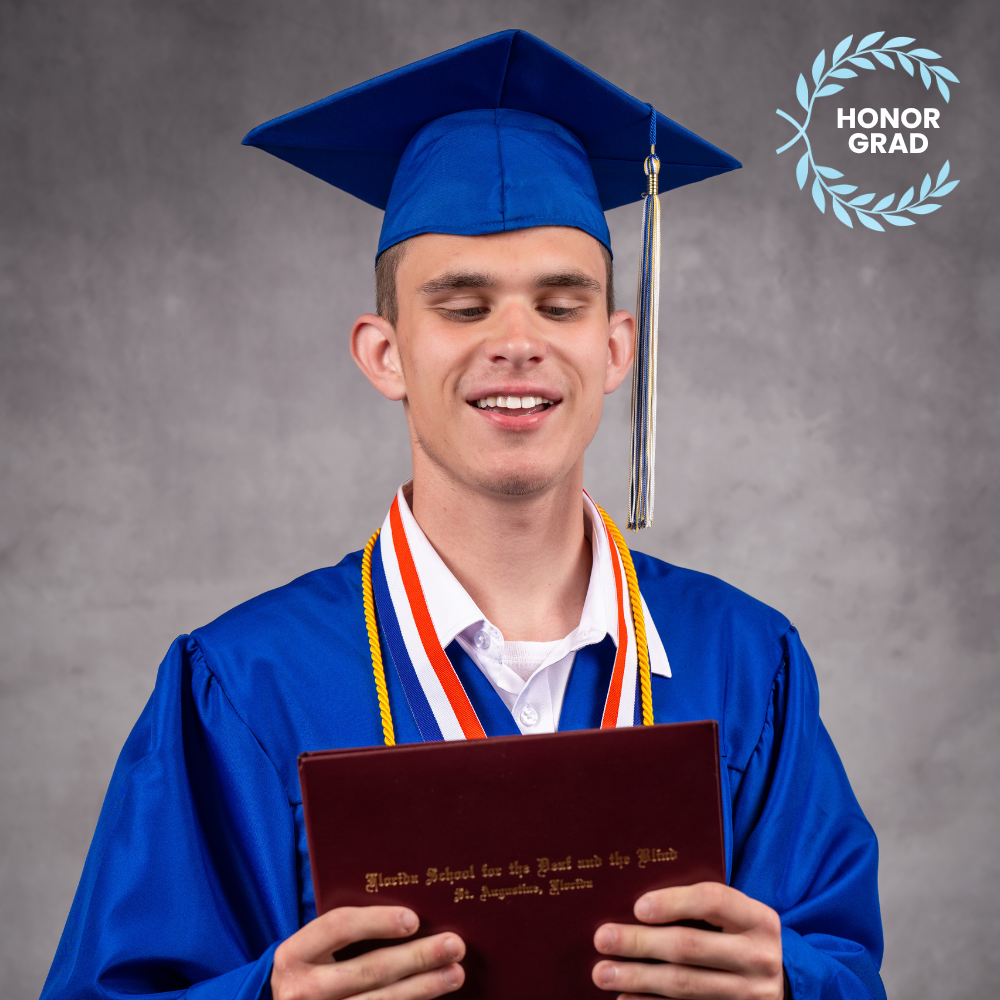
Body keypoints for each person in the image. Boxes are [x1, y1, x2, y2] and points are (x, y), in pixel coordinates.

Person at [41, 29, 885, 1000]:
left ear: (617, 348)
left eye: (560, 305)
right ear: (383, 351)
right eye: (464, 305)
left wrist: (790, 984)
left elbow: (848, 965)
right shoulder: (239, 683)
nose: (518, 343)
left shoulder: (747, 660)